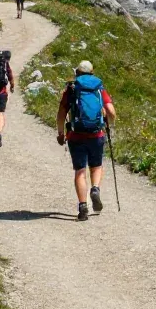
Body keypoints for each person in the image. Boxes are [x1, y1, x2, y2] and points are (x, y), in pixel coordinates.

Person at [56, 60, 116, 221]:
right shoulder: (98, 88)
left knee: (80, 171)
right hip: (96, 135)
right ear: (92, 72)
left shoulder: (72, 88)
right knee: (96, 166)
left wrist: (61, 133)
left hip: (76, 136)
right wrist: (108, 123)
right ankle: (95, 189)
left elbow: (62, 112)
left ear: (77, 73)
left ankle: (83, 207)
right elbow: (111, 110)